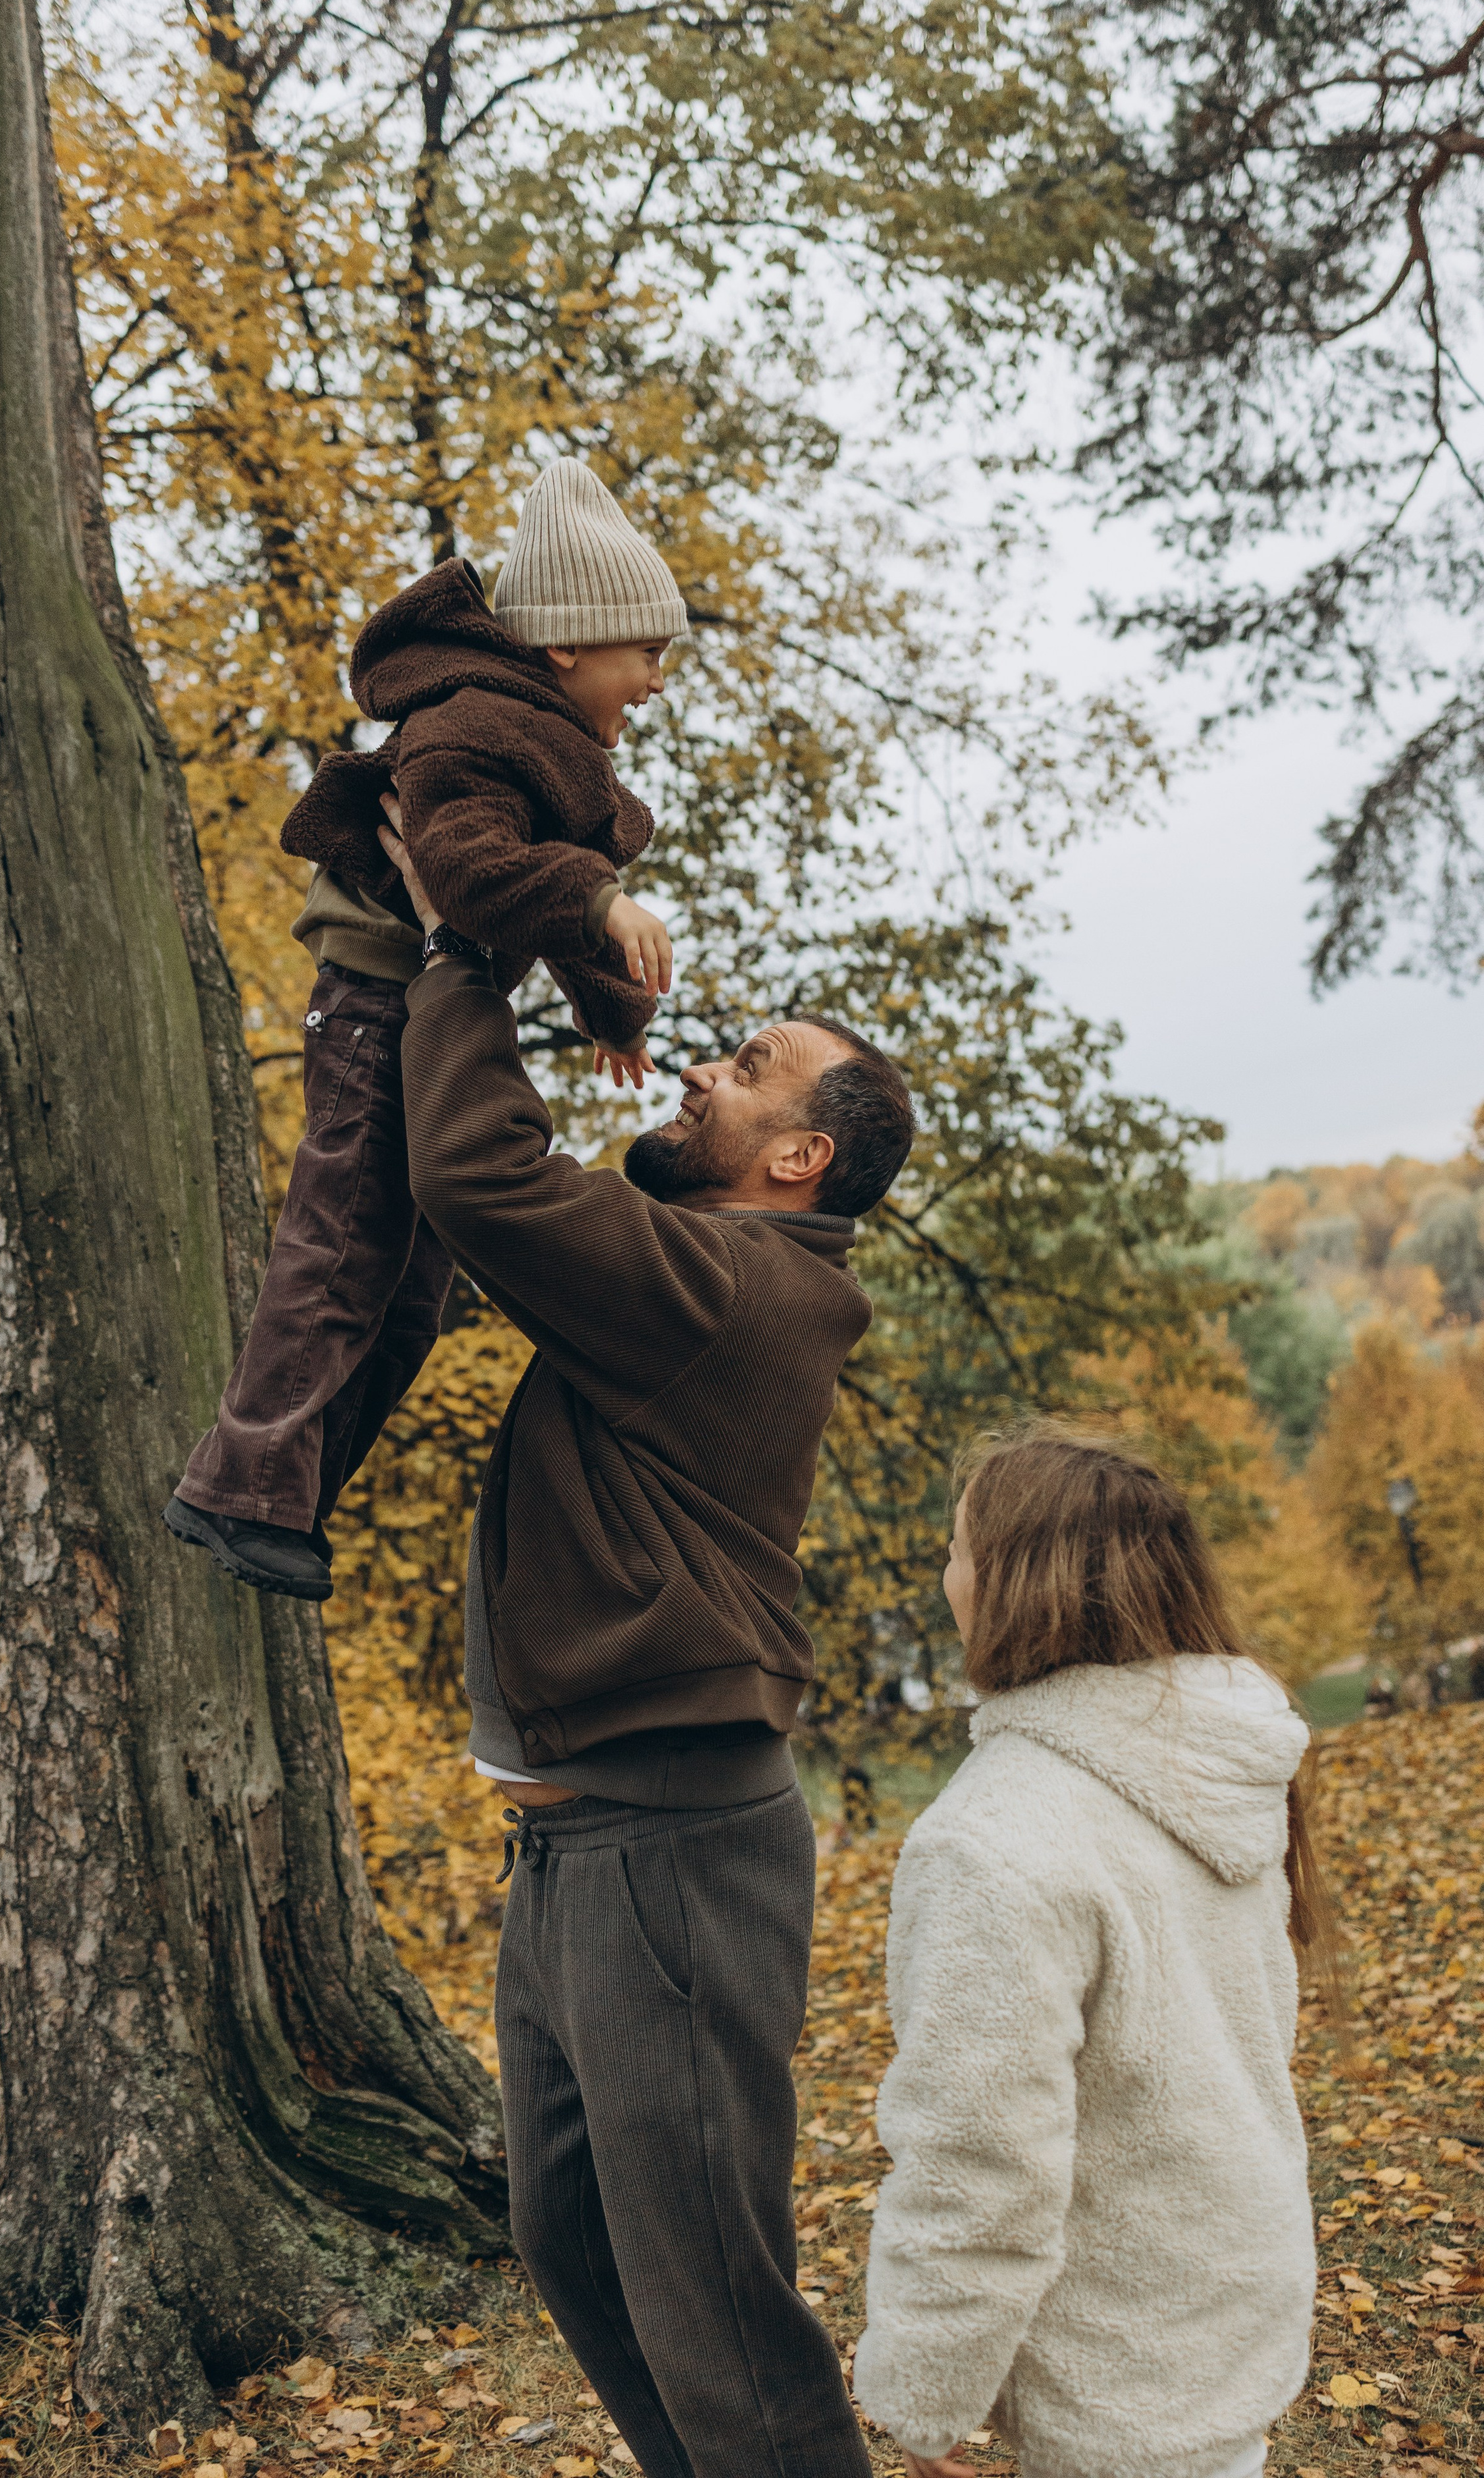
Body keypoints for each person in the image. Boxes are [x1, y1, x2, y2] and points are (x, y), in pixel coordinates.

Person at [377, 787, 916, 2478]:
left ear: (798, 1158)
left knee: (713, 2303)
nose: (703, 1068)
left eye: (743, 1068)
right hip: (575, 1850)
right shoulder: (707, 1267)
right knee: (579, 2246)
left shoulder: (728, 1288)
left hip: (666, 1844)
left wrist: (468, 945)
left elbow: (476, 1171)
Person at [163, 460, 683, 1602]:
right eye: (645, 653)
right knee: (343, 1247)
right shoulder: (469, 728)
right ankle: (237, 1491)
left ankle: (286, 1495)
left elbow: (536, 883)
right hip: (372, 1007)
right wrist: (600, 905)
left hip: (433, 1013)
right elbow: (473, 869)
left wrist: (610, 1007)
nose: (654, 682)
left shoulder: (546, 740)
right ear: (569, 646)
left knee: (413, 1291)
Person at [854, 1424, 1320, 2478]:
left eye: (960, 1549)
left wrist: (923, 2400)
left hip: (1121, 2368)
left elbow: (980, 2164)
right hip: (1233, 2307)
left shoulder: (995, 1839)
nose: (946, 1576)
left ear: (1019, 1583)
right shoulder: (1214, 1762)